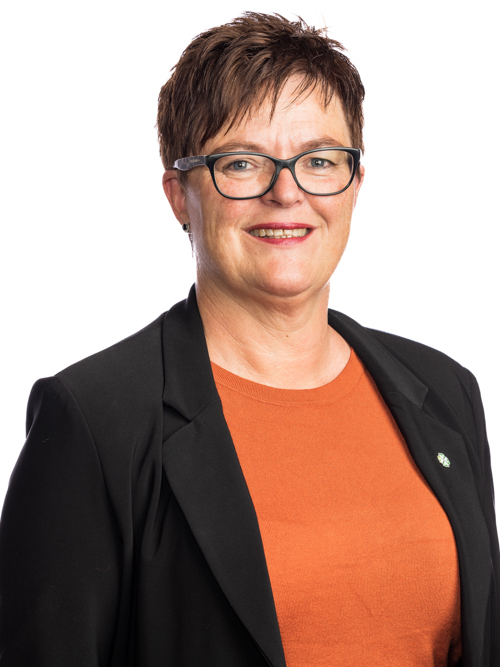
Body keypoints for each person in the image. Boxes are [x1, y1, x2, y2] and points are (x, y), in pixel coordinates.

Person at [0, 11, 498, 667]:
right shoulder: (93, 424)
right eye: (241, 163)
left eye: (319, 160)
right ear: (179, 194)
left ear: (354, 183)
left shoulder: (445, 393)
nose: (286, 192)